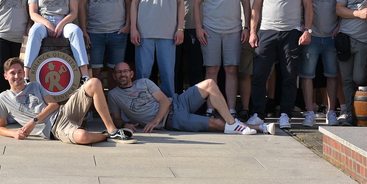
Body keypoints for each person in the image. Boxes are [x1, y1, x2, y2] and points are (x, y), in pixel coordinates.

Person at [247, 0, 312, 129]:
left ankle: (285, 114)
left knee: (290, 76)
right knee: (259, 75)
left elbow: (308, 5)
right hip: (266, 31)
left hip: (291, 32)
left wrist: (307, 29)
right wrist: (253, 31)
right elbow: (256, 7)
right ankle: (258, 114)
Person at [0, 57, 136, 144]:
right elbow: (0, 127)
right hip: (54, 128)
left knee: (94, 83)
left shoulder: (34, 85)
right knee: (83, 137)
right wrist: (14, 133)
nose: (17, 76)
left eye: (20, 72)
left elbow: (54, 105)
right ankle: (106, 136)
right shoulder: (3, 98)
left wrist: (34, 121)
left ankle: (112, 131)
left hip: (64, 112)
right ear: (5, 76)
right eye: (12, 73)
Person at [108, 63, 271, 135]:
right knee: (217, 124)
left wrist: (154, 121)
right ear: (114, 76)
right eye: (118, 72)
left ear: (131, 74)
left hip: (177, 102)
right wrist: (125, 124)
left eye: (125, 71)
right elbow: (116, 119)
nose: (122, 74)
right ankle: (260, 128)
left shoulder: (143, 82)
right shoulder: (113, 95)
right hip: (171, 119)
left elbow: (164, 101)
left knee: (209, 84)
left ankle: (233, 123)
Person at [193, 0, 250, 117]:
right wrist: (198, 28)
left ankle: (231, 109)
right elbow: (196, 4)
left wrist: (247, 26)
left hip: (233, 29)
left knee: (231, 69)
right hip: (210, 30)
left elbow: (246, 3)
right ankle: (211, 108)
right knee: (212, 69)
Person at [129, 0, 186, 98]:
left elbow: (181, 2)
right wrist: (133, 28)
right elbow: (134, 3)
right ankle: (143, 105)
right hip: (144, 32)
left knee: (168, 74)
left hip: (168, 32)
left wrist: (180, 28)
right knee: (143, 75)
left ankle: (170, 109)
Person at [24, 0, 90, 81]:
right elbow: (33, 13)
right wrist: (48, 24)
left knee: (76, 31)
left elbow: (74, 12)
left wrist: (60, 25)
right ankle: (27, 75)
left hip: (64, 21)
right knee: (34, 31)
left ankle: (85, 75)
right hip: (43, 21)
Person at [300, 0, 347, 127]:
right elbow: (301, 2)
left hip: (331, 34)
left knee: (332, 74)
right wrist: (304, 27)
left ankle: (331, 112)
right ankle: (310, 113)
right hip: (312, 33)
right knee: (307, 75)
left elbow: (345, 2)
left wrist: (340, 25)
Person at [78, 0, 131, 88]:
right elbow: (81, 6)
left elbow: (128, 3)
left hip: (118, 32)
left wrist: (128, 25)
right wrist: (83, 30)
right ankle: (94, 106)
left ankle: (115, 107)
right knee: (94, 72)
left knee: (117, 73)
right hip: (94, 33)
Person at [237, 0, 261, 121]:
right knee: (245, 73)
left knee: (263, 73)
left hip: (265, 30)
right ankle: (245, 108)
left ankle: (260, 106)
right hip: (244, 31)